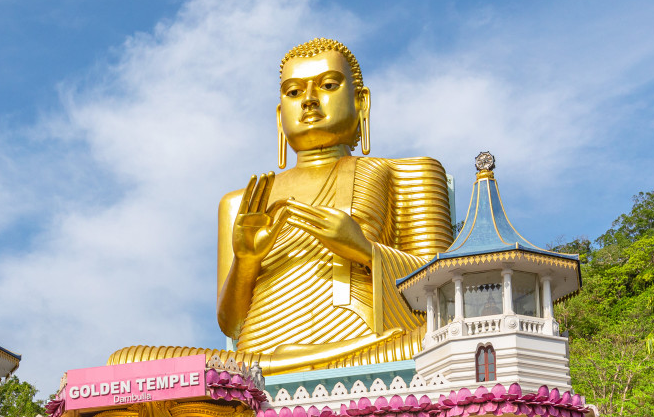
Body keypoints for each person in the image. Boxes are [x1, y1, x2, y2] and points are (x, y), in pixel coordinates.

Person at [110, 38, 453, 374]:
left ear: (361, 102)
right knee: (126, 362)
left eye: (328, 85)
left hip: (367, 348)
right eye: (294, 92)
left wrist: (364, 250)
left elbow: (444, 297)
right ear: (279, 114)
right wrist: (246, 261)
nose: (309, 101)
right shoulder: (241, 202)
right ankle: (266, 371)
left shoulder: (407, 172)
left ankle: (274, 371)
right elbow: (231, 323)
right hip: (256, 357)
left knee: (443, 338)